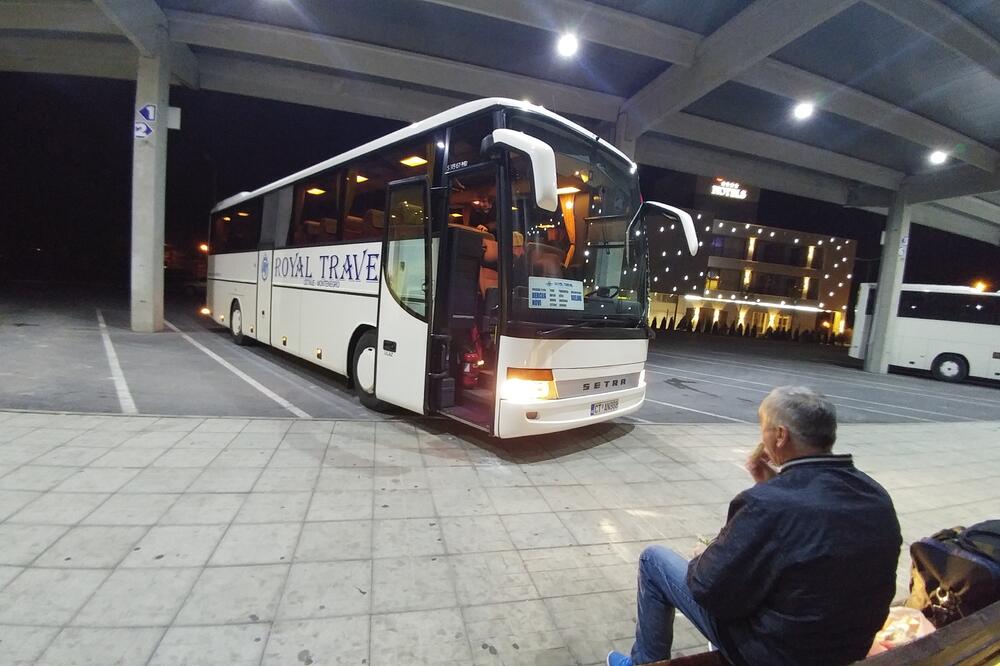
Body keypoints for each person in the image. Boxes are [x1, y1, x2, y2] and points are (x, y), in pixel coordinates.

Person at [608, 386, 902, 666]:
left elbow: (708, 588)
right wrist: (773, 486)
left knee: (654, 560)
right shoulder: (874, 494)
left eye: (764, 427)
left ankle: (643, 661)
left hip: (777, 653)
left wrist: (706, 554)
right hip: (849, 645)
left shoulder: (767, 504)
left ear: (780, 436)